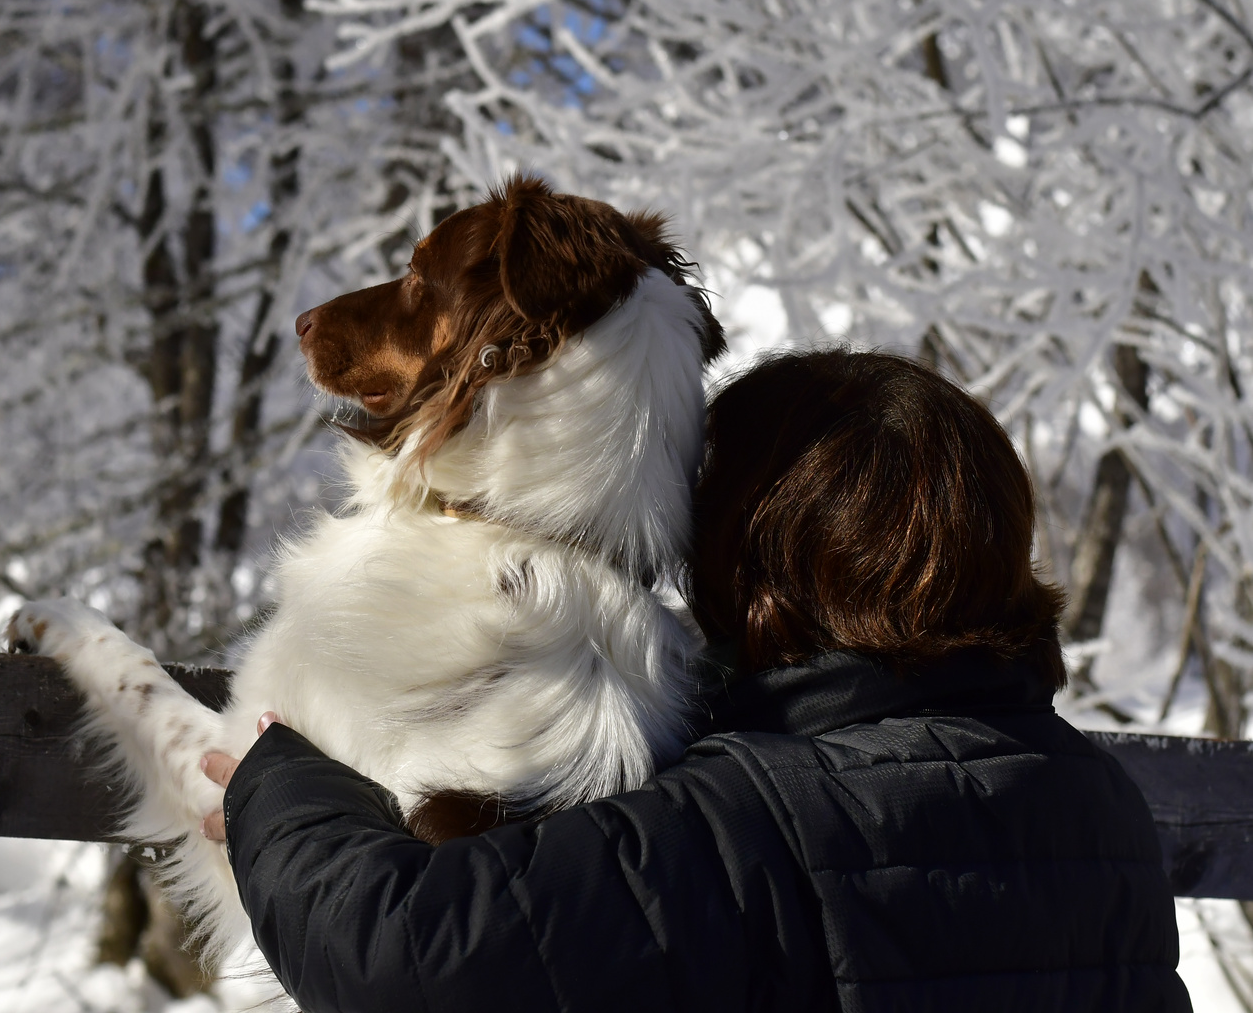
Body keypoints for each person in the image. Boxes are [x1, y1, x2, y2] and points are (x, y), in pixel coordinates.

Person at [197, 349, 1188, 1013]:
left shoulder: (751, 820)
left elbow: (401, 953)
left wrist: (275, 779)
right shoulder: (1095, 799)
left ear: (760, 556)